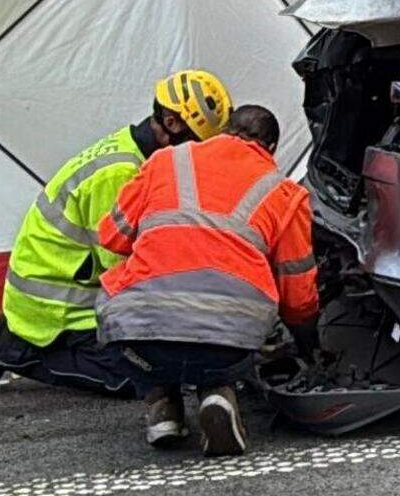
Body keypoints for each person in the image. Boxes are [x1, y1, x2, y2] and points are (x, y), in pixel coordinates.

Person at [0, 69, 230, 400]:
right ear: (172, 124)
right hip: (58, 310)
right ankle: (16, 350)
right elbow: (121, 268)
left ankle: (20, 337)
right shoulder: (119, 174)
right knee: (140, 379)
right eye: (197, 144)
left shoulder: (136, 154)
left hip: (71, 289)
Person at [96, 82, 318, 457]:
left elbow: (111, 236)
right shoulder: (286, 194)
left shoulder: (163, 162)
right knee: (244, 331)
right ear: (271, 149)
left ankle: (160, 405)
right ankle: (219, 392)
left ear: (227, 130)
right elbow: (297, 299)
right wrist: (311, 349)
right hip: (229, 345)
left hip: (141, 340)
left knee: (114, 290)